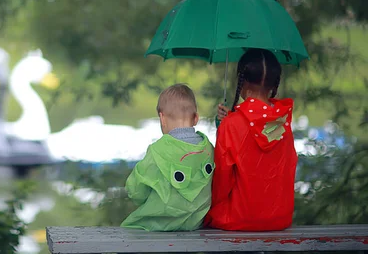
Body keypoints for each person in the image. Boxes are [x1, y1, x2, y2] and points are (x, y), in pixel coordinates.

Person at [206, 48, 297, 231]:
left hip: (239, 218)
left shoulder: (231, 125)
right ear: (274, 84)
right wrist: (226, 124)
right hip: (280, 217)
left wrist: (225, 128)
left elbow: (222, 182)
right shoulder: (283, 123)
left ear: (242, 81)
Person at [121, 84, 215, 232]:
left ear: (162, 118)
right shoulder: (208, 149)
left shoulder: (158, 150)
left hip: (157, 225)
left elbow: (136, 191)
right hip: (195, 224)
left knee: (131, 229)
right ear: (196, 118)